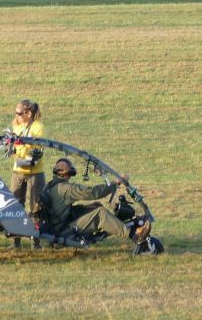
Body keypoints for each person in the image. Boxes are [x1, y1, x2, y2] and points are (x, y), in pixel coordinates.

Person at [41, 158, 147, 248]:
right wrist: (116, 183)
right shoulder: (66, 189)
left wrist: (88, 207)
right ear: (68, 172)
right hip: (65, 231)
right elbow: (93, 193)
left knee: (95, 207)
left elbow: (62, 210)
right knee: (100, 213)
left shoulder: (50, 186)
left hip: (57, 228)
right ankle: (134, 234)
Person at [8, 99, 46, 249]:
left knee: (36, 207)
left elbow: (36, 151)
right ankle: (15, 241)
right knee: (15, 205)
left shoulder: (38, 128)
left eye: (19, 113)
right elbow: (12, 148)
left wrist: (19, 149)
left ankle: (36, 241)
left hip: (35, 172)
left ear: (28, 113)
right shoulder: (16, 126)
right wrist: (17, 149)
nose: (16, 116)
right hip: (17, 171)